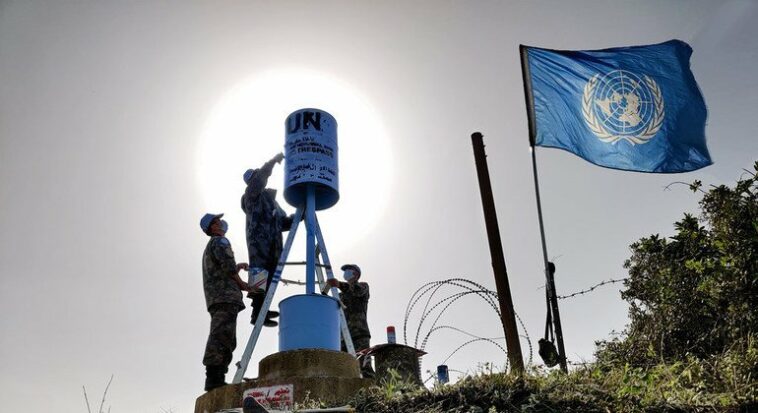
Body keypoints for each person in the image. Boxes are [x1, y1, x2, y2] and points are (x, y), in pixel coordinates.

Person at [199, 213, 252, 391]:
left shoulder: (211, 246)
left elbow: (222, 268)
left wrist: (237, 268)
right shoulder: (220, 242)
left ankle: (216, 377)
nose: (220, 223)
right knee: (221, 336)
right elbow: (228, 267)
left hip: (218, 297)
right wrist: (243, 284)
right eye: (217, 221)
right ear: (212, 227)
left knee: (225, 336)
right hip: (225, 297)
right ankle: (214, 378)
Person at [241, 153, 294, 327]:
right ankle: (257, 313)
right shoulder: (252, 195)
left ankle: (262, 311)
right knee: (260, 276)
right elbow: (261, 177)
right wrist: (272, 162)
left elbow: (281, 223)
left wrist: (299, 216)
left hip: (274, 245)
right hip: (260, 243)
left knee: (270, 278)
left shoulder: (270, 203)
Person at [326, 264, 375, 378]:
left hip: (359, 334)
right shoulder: (341, 295)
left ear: (356, 274)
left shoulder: (363, 287)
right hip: (343, 337)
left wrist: (338, 284)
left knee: (363, 368)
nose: (346, 273)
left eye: (349, 270)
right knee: (344, 369)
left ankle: (371, 392)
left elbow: (356, 290)